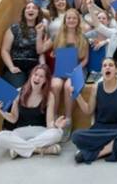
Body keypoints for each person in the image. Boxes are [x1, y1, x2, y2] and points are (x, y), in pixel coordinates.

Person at [0, 64, 67, 159]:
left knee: (57, 133)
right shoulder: (19, 92)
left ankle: (19, 149)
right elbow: (13, 118)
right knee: (0, 137)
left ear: (45, 80)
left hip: (40, 131)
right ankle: (40, 150)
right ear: (31, 76)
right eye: (35, 74)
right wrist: (1, 111)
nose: (37, 78)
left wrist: (56, 125)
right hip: (21, 132)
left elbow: (49, 124)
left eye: (41, 76)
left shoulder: (49, 96)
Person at [45, 8, 89, 141]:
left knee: (69, 86)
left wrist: (76, 69)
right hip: (61, 70)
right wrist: (53, 53)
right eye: (69, 18)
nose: (71, 20)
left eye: (74, 18)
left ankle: (68, 120)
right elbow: (44, 50)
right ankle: (54, 118)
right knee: (55, 85)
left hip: (78, 69)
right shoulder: (58, 36)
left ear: (78, 21)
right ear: (65, 20)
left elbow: (85, 59)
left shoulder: (83, 37)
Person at [0, 2, 45, 88]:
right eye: (28, 8)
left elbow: (41, 52)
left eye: (34, 8)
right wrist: (11, 67)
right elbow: (5, 50)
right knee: (20, 88)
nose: (31, 9)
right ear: (24, 12)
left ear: (38, 13)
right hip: (16, 66)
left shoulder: (42, 30)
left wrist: (43, 67)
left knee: (35, 88)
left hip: (34, 67)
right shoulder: (14, 28)